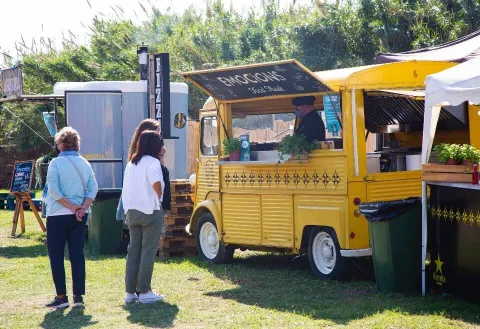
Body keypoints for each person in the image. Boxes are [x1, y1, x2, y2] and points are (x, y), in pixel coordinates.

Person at [45, 127, 98, 308]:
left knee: (57, 256)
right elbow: (93, 188)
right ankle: (78, 297)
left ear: (61, 144)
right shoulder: (85, 163)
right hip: (79, 215)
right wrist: (82, 207)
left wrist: (72, 206)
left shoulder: (55, 164)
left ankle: (61, 296)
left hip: (57, 214)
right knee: (77, 254)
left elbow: (53, 191)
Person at [122, 130, 165, 304]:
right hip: (149, 211)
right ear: (156, 146)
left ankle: (130, 292)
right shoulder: (153, 162)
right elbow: (155, 182)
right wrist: (160, 195)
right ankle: (145, 291)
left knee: (133, 250)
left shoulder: (132, 162)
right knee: (148, 250)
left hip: (131, 210)